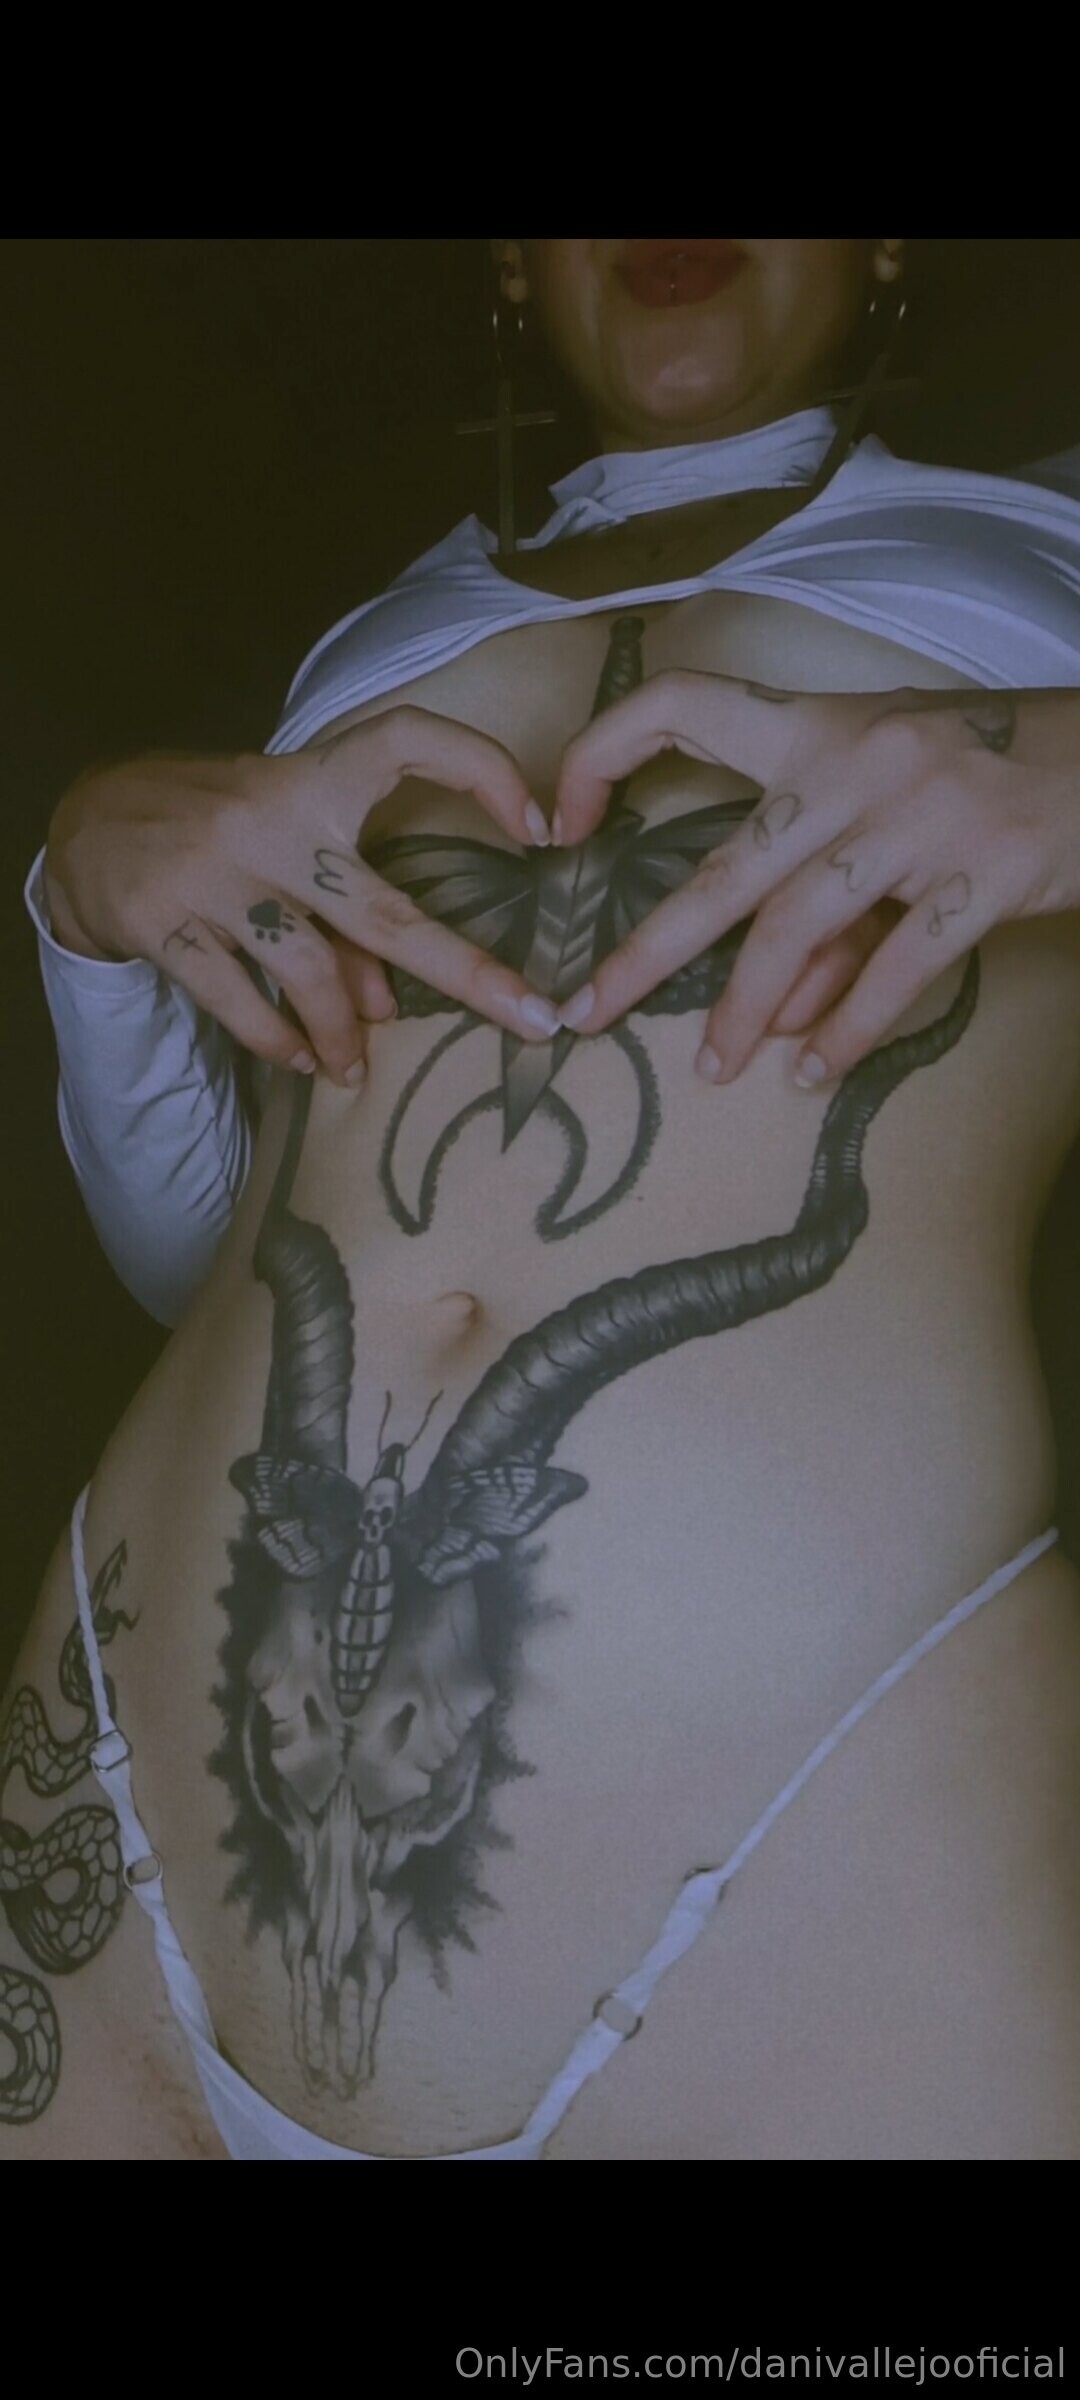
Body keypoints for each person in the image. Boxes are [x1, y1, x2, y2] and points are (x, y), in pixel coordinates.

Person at [5, 237, 1080, 2160]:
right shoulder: (366, 645)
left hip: (818, 1901)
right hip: (124, 1886)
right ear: (513, 263)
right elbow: (211, 1261)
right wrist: (81, 901)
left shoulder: (1046, 544)